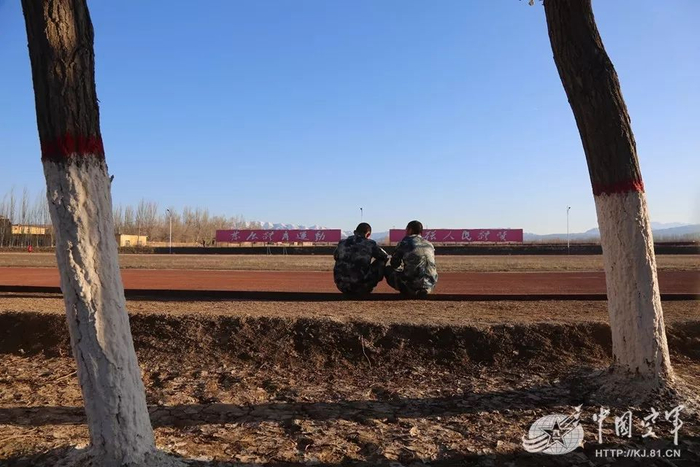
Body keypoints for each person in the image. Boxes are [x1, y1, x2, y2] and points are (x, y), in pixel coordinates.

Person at [333, 222, 389, 296]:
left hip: (342, 286)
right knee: (381, 261)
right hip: (361, 286)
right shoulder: (370, 244)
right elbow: (384, 256)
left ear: (355, 232)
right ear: (368, 234)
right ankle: (366, 286)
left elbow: (336, 256)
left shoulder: (342, 243)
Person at [385, 220, 438, 298]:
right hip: (430, 285)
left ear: (410, 230)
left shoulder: (405, 243)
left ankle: (411, 290)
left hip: (411, 287)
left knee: (388, 269)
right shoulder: (429, 244)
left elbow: (394, 264)